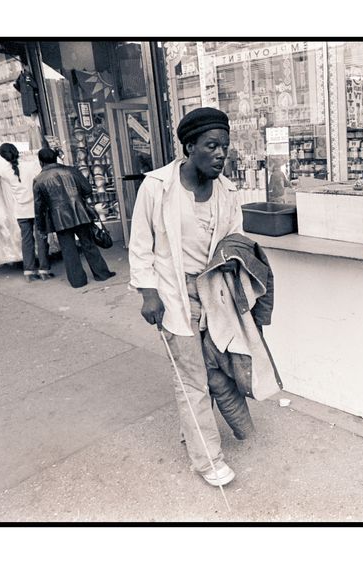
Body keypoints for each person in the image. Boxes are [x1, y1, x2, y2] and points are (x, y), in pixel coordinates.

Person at [128, 107, 251, 488]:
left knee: (214, 368)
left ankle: (193, 431)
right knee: (191, 378)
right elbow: (140, 245)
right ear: (189, 147)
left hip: (213, 292)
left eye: (225, 147)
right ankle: (208, 459)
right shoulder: (157, 186)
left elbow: (233, 242)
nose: (220, 154)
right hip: (173, 292)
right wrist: (148, 293)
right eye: (211, 146)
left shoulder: (227, 191)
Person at [33, 148, 115, 288]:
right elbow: (88, 189)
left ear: (40, 162)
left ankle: (78, 281)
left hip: (58, 218)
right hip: (80, 211)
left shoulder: (39, 180)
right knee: (88, 244)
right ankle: (102, 274)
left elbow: (39, 207)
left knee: (68, 249)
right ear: (56, 158)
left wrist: (41, 227)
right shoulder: (71, 170)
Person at [0, 143, 53, 280]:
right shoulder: (32, 165)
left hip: (20, 211)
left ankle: (29, 272)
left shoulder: (4, 172)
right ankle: (44, 270)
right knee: (41, 239)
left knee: (26, 241)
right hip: (36, 209)